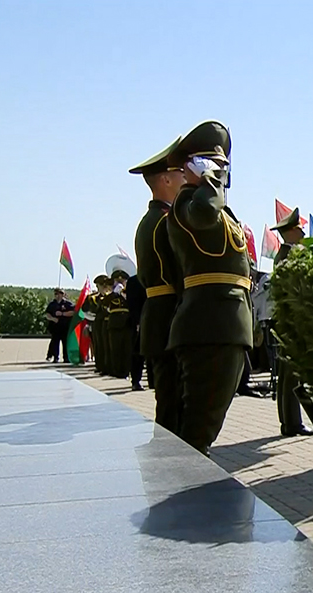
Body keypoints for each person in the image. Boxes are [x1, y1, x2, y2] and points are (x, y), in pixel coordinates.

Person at [165, 120, 253, 456]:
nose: (222, 173)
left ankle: (187, 494)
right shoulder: (189, 203)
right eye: (214, 165)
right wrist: (208, 180)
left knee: (204, 427)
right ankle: (183, 500)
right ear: (193, 167)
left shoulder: (218, 208)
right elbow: (203, 213)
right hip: (209, 327)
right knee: (197, 430)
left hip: (226, 326)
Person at [130, 137, 186, 428]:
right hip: (169, 316)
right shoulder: (165, 221)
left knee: (169, 398)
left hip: (158, 314)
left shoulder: (150, 219)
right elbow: (179, 273)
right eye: (180, 173)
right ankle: (171, 464)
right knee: (173, 402)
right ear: (165, 179)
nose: (184, 178)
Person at [269, 207, 313, 437]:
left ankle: (289, 421)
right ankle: (292, 423)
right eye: (300, 229)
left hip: (287, 321)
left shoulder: (283, 255)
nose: (304, 234)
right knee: (292, 375)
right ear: (291, 231)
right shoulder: (289, 256)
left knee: (287, 375)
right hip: (292, 322)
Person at [104, 270, 132, 379]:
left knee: (127, 349)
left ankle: (125, 371)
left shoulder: (128, 293)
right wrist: (114, 293)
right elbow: (104, 303)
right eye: (117, 280)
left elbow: (133, 303)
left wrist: (124, 294)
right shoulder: (111, 295)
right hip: (114, 323)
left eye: (122, 280)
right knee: (115, 348)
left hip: (127, 323)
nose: (120, 282)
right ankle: (116, 371)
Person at [44, 288, 75, 362]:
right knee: (55, 342)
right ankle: (55, 357)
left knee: (65, 342)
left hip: (65, 326)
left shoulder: (68, 304)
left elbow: (73, 312)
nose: (58, 295)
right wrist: (52, 318)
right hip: (55, 327)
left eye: (60, 294)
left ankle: (66, 357)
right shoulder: (52, 304)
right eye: (56, 294)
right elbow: (47, 314)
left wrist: (63, 314)